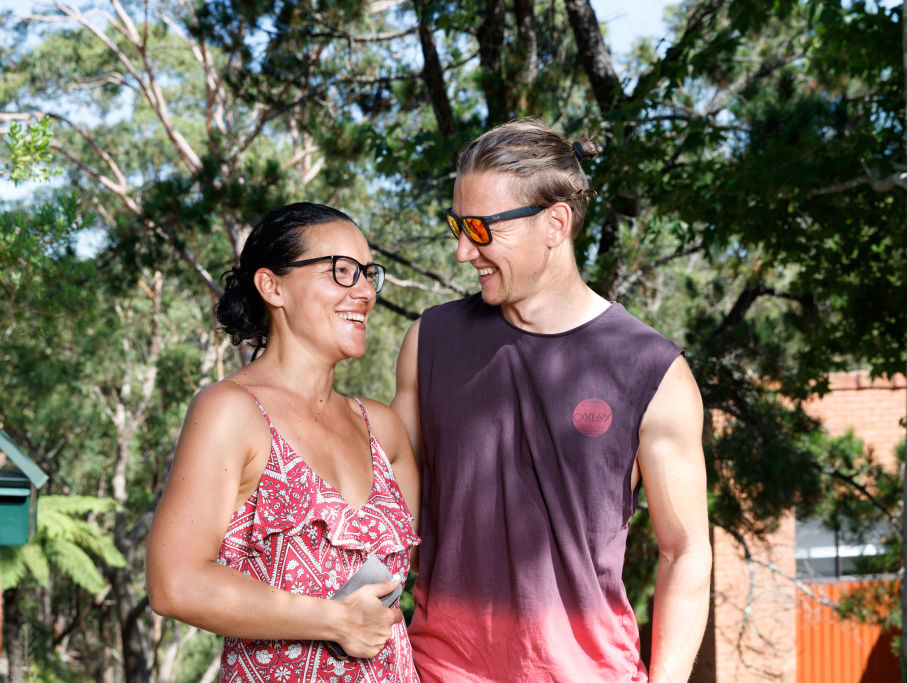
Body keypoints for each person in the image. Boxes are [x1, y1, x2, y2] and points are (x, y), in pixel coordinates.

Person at [391, 118, 712, 682]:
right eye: (456, 227)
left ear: (554, 223)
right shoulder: (429, 342)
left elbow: (686, 551)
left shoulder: (654, 371)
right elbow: (390, 519)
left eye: (481, 229)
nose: (464, 252)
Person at [147, 202, 421, 682]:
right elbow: (176, 583)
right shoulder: (231, 410)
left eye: (368, 273)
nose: (364, 291)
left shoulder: (383, 428)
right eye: (341, 271)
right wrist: (336, 622)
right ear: (272, 286)